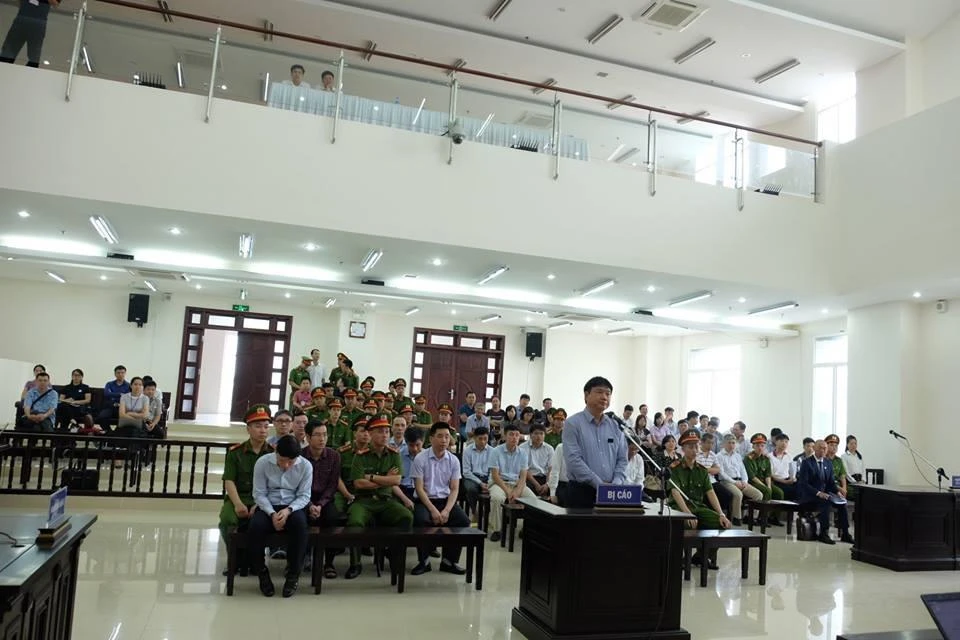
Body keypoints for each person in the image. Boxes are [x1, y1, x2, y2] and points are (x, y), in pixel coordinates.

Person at [344, 415, 413, 579]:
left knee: (406, 516)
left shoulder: (393, 454)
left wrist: (372, 477)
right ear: (370, 434)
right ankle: (355, 563)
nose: (385, 435)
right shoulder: (360, 455)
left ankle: (393, 555)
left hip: (386, 501)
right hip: (364, 501)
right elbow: (359, 483)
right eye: (380, 431)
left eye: (387, 431)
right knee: (355, 522)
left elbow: (396, 480)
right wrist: (385, 479)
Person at [248, 434, 312, 597]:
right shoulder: (262, 463)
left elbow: (304, 496)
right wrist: (271, 513)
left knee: (300, 527)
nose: (286, 465)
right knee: (255, 527)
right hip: (268, 505)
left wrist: (288, 510)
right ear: (276, 451)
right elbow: (259, 493)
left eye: (291, 462)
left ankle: (293, 574)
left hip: (292, 506)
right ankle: (262, 572)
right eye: (282, 460)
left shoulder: (306, 466)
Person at [218, 404, 274, 575]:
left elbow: (274, 484)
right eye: (258, 426)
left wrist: (260, 504)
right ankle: (234, 559)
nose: (263, 430)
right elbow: (229, 480)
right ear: (248, 429)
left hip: (264, 499)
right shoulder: (235, 452)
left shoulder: (273, 454)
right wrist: (237, 504)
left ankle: (256, 560)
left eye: (266, 426)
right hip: (239, 497)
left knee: (260, 522)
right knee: (227, 520)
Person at [410, 422, 470, 576]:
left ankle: (449, 561)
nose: (444, 440)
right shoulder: (420, 459)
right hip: (425, 501)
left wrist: (447, 510)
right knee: (421, 520)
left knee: (462, 521)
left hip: (445, 501)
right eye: (440, 436)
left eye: (447, 437)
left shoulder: (454, 460)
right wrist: (433, 510)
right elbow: (419, 489)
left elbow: (454, 488)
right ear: (431, 438)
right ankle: (424, 561)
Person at [562, 376, 628, 508]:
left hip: (612, 493)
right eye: (599, 392)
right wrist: (599, 484)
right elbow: (573, 460)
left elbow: (622, 459)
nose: (604, 397)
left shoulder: (615, 426)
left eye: (608, 394)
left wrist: (616, 484)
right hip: (581, 492)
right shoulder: (572, 424)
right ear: (586, 395)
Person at [669, 431, 731, 568]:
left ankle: (701, 556)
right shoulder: (675, 468)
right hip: (679, 508)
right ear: (683, 449)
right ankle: (680, 558)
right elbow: (675, 492)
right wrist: (687, 513)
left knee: (721, 523)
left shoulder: (702, 470)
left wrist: (721, 513)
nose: (694, 450)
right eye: (690, 447)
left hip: (697, 507)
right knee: (686, 523)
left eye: (696, 446)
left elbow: (710, 492)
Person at [301, 422, 341, 579]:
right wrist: (310, 505)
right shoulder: (300, 456)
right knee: (298, 519)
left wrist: (320, 505)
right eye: (317, 435)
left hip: (325, 500)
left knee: (332, 518)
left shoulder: (334, 456)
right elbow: (297, 486)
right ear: (308, 437)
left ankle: (329, 562)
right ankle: (300, 558)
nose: (322, 439)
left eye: (325, 434)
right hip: (303, 499)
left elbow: (332, 485)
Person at [796, 439, 854, 545]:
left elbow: (831, 483)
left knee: (842, 503)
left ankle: (845, 533)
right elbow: (804, 484)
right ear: (814, 448)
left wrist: (838, 492)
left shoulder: (828, 463)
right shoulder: (807, 462)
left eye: (825, 448)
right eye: (820, 448)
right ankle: (824, 533)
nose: (823, 450)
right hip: (810, 495)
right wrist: (818, 493)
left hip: (825, 494)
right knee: (825, 502)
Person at [488, 423, 535, 542]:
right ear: (504, 436)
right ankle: (496, 530)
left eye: (517, 435)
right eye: (511, 434)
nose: (514, 437)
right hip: (499, 483)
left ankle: (526, 528)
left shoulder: (523, 453)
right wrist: (509, 492)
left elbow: (523, 476)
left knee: (533, 501)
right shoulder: (496, 451)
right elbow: (495, 476)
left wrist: (517, 492)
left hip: (517, 483)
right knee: (497, 498)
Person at [716, 433, 762, 526]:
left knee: (758, 495)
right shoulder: (719, 456)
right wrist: (734, 482)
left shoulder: (737, 455)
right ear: (724, 444)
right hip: (727, 482)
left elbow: (743, 470)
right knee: (738, 494)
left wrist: (745, 481)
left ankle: (750, 517)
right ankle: (736, 518)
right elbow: (722, 473)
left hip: (740, 481)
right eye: (729, 443)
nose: (731, 445)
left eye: (733, 443)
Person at [0, 0, 58, 68]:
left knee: (34, 56)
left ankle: (28, 73)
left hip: (38, 23)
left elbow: (55, 3)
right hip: (22, 18)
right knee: (8, 52)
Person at [744, 433, 784, 526]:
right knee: (766, 491)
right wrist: (765, 487)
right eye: (757, 445)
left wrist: (769, 486)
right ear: (753, 446)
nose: (760, 448)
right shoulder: (748, 458)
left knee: (779, 493)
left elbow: (767, 475)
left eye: (762, 445)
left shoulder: (766, 458)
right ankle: (762, 518)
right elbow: (752, 476)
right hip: (752, 482)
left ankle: (773, 517)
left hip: (764, 482)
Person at [461, 425, 492, 519]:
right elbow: (466, 472)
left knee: (494, 490)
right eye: (480, 439)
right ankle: (475, 511)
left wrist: (489, 483)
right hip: (472, 477)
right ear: (474, 438)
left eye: (485, 439)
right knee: (471, 489)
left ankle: (488, 514)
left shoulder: (493, 451)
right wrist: (480, 483)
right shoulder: (467, 451)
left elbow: (493, 470)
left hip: (488, 477)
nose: (483, 441)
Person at [521, 424, 553, 497]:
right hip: (529, 478)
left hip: (545, 478)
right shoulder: (522, 448)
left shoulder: (549, 448)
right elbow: (524, 469)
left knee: (554, 489)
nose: (539, 436)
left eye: (541, 434)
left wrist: (547, 484)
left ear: (544, 435)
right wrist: (536, 485)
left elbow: (550, 468)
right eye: (536, 433)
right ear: (530, 435)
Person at [97, 365, 130, 432]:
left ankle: (117, 433)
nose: (120, 374)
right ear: (115, 374)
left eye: (122, 373)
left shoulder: (128, 385)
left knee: (126, 419)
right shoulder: (109, 384)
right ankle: (109, 432)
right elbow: (107, 394)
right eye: (118, 373)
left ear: (125, 373)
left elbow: (127, 397)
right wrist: (120, 394)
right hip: (110, 406)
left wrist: (113, 394)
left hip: (122, 408)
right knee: (101, 417)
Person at [394, 426, 422, 508]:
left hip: (422, 491)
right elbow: (392, 483)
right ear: (406, 442)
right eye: (411, 445)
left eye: (418, 445)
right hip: (402, 490)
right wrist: (405, 499)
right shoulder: (398, 456)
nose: (415, 449)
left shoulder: (427, 457)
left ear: (423, 441)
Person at [770, 432, 797, 500]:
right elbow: (771, 475)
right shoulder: (769, 456)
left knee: (800, 488)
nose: (784, 443)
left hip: (787, 480)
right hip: (776, 481)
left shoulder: (789, 456)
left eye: (786, 442)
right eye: (781, 441)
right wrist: (784, 482)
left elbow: (792, 471)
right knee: (788, 490)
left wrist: (793, 478)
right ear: (776, 442)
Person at [824, 434, 848, 498]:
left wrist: (844, 489)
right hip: (827, 488)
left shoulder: (839, 460)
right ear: (826, 446)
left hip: (839, 487)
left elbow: (842, 476)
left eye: (836, 445)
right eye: (831, 445)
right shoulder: (823, 459)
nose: (834, 447)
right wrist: (840, 489)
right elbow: (826, 480)